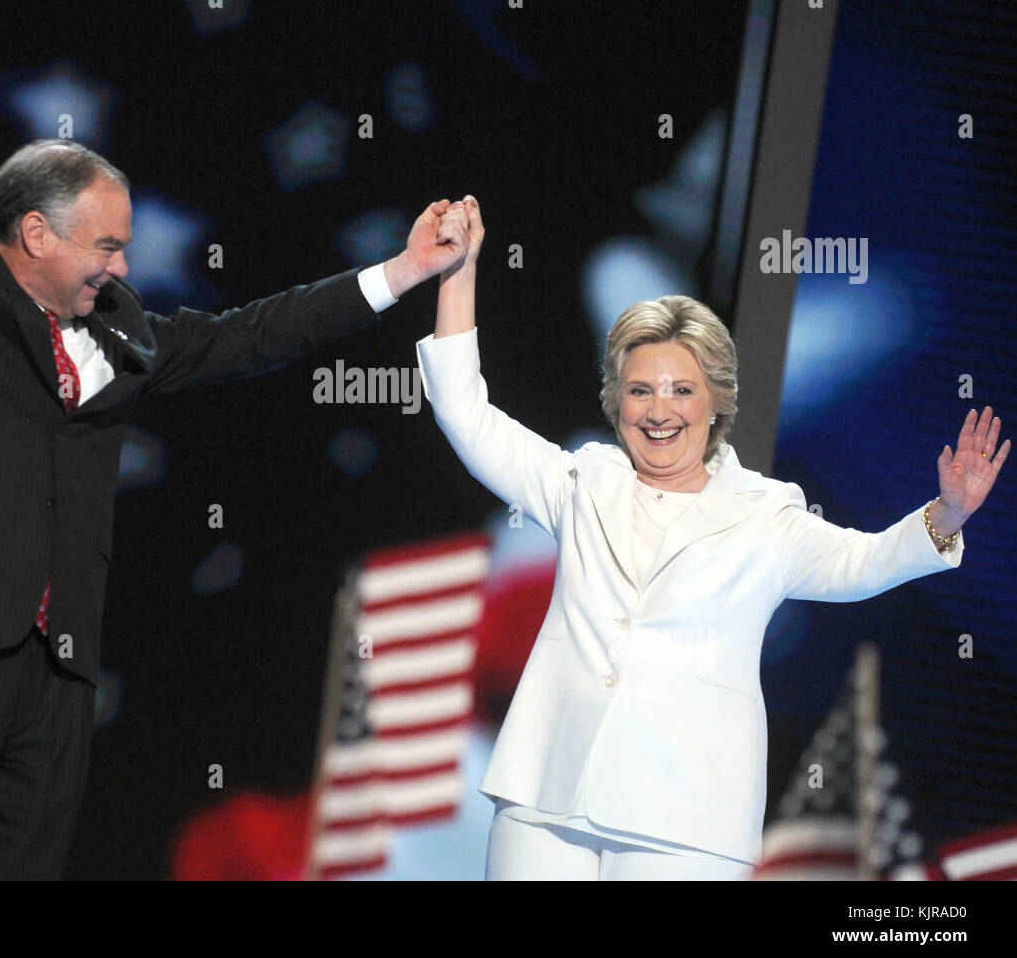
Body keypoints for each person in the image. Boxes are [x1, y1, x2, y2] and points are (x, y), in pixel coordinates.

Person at [0, 0, 475, 880]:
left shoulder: (126, 335)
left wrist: (400, 274)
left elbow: (256, 333)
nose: (122, 265)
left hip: (59, 669)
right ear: (35, 233)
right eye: (106, 245)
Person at [416, 197, 1008, 881]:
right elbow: (465, 414)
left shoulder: (764, 511)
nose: (659, 413)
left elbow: (863, 561)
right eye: (641, 393)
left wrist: (949, 514)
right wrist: (457, 279)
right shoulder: (580, 478)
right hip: (550, 799)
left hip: (682, 808)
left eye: (679, 394)